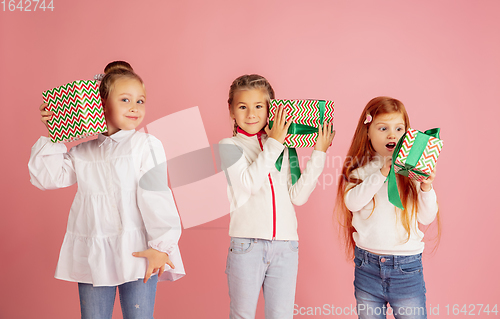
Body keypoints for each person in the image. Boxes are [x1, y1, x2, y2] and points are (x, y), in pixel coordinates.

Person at [28, 61, 185, 318]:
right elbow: (47, 178)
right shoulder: (83, 152)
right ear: (100, 103)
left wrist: (161, 246)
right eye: (125, 100)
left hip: (139, 250)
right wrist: (54, 133)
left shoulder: (145, 144)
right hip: (95, 254)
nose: (135, 107)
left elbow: (157, 195)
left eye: (141, 101)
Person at [219, 74, 335, 319]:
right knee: (242, 315)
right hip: (246, 245)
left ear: (271, 109)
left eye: (259, 106)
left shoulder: (284, 147)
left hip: (286, 246)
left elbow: (298, 196)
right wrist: (274, 143)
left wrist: (319, 153)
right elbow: (248, 184)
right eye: (243, 106)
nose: (251, 114)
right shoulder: (229, 146)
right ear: (231, 110)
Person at [335, 96, 440, 319]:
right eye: (383, 128)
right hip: (367, 267)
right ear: (368, 132)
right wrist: (381, 173)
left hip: (407, 269)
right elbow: (352, 202)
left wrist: (426, 187)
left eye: (399, 128)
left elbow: (427, 216)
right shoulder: (360, 171)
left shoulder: (411, 172)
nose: (392, 134)